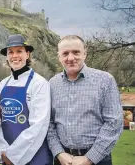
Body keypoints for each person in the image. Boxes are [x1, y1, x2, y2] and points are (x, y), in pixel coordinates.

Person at [47, 35, 123, 165]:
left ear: (85, 54)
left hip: (98, 160)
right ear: (59, 57)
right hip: (63, 159)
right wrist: (59, 153)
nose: (70, 58)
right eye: (65, 53)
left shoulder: (105, 80)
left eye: (76, 52)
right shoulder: (52, 84)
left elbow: (114, 123)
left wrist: (90, 158)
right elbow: (49, 123)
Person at [0, 34, 53, 165]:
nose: (15, 56)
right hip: (7, 155)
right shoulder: (1, 86)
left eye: (19, 51)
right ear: (7, 57)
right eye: (11, 52)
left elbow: (39, 126)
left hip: (37, 158)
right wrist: (3, 151)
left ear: (27, 54)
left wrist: (13, 157)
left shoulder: (39, 84)